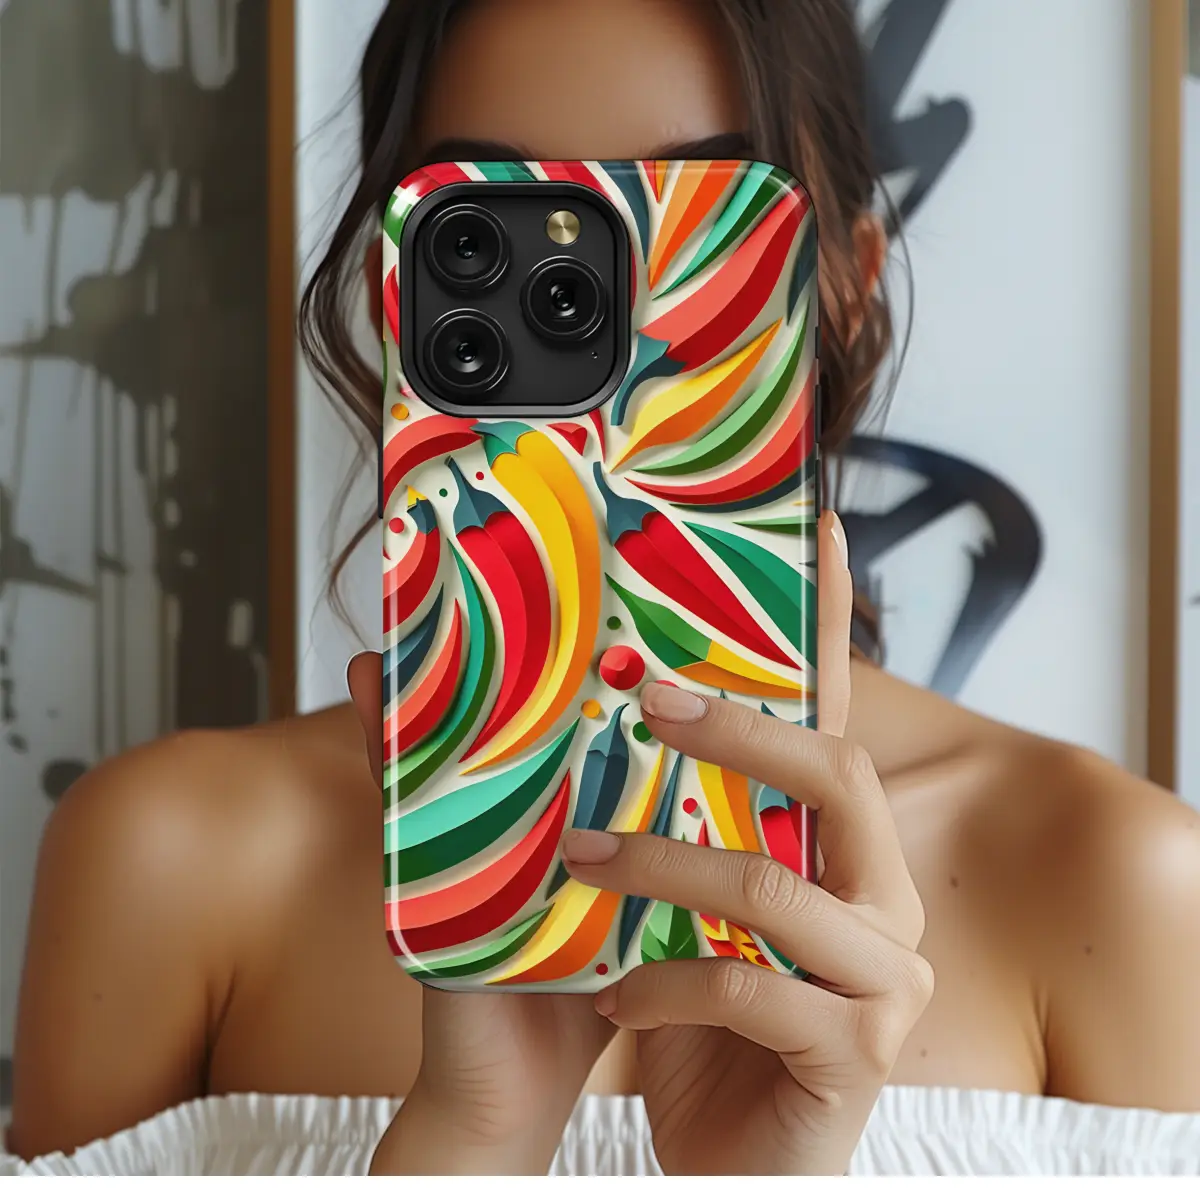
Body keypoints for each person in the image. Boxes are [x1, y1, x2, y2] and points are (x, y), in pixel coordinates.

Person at [7, 0, 1200, 1177]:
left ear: (846, 285)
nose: (600, 313)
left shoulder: (1116, 884)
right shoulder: (169, 864)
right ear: (395, 288)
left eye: (695, 214)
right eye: (490, 229)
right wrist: (475, 1141)